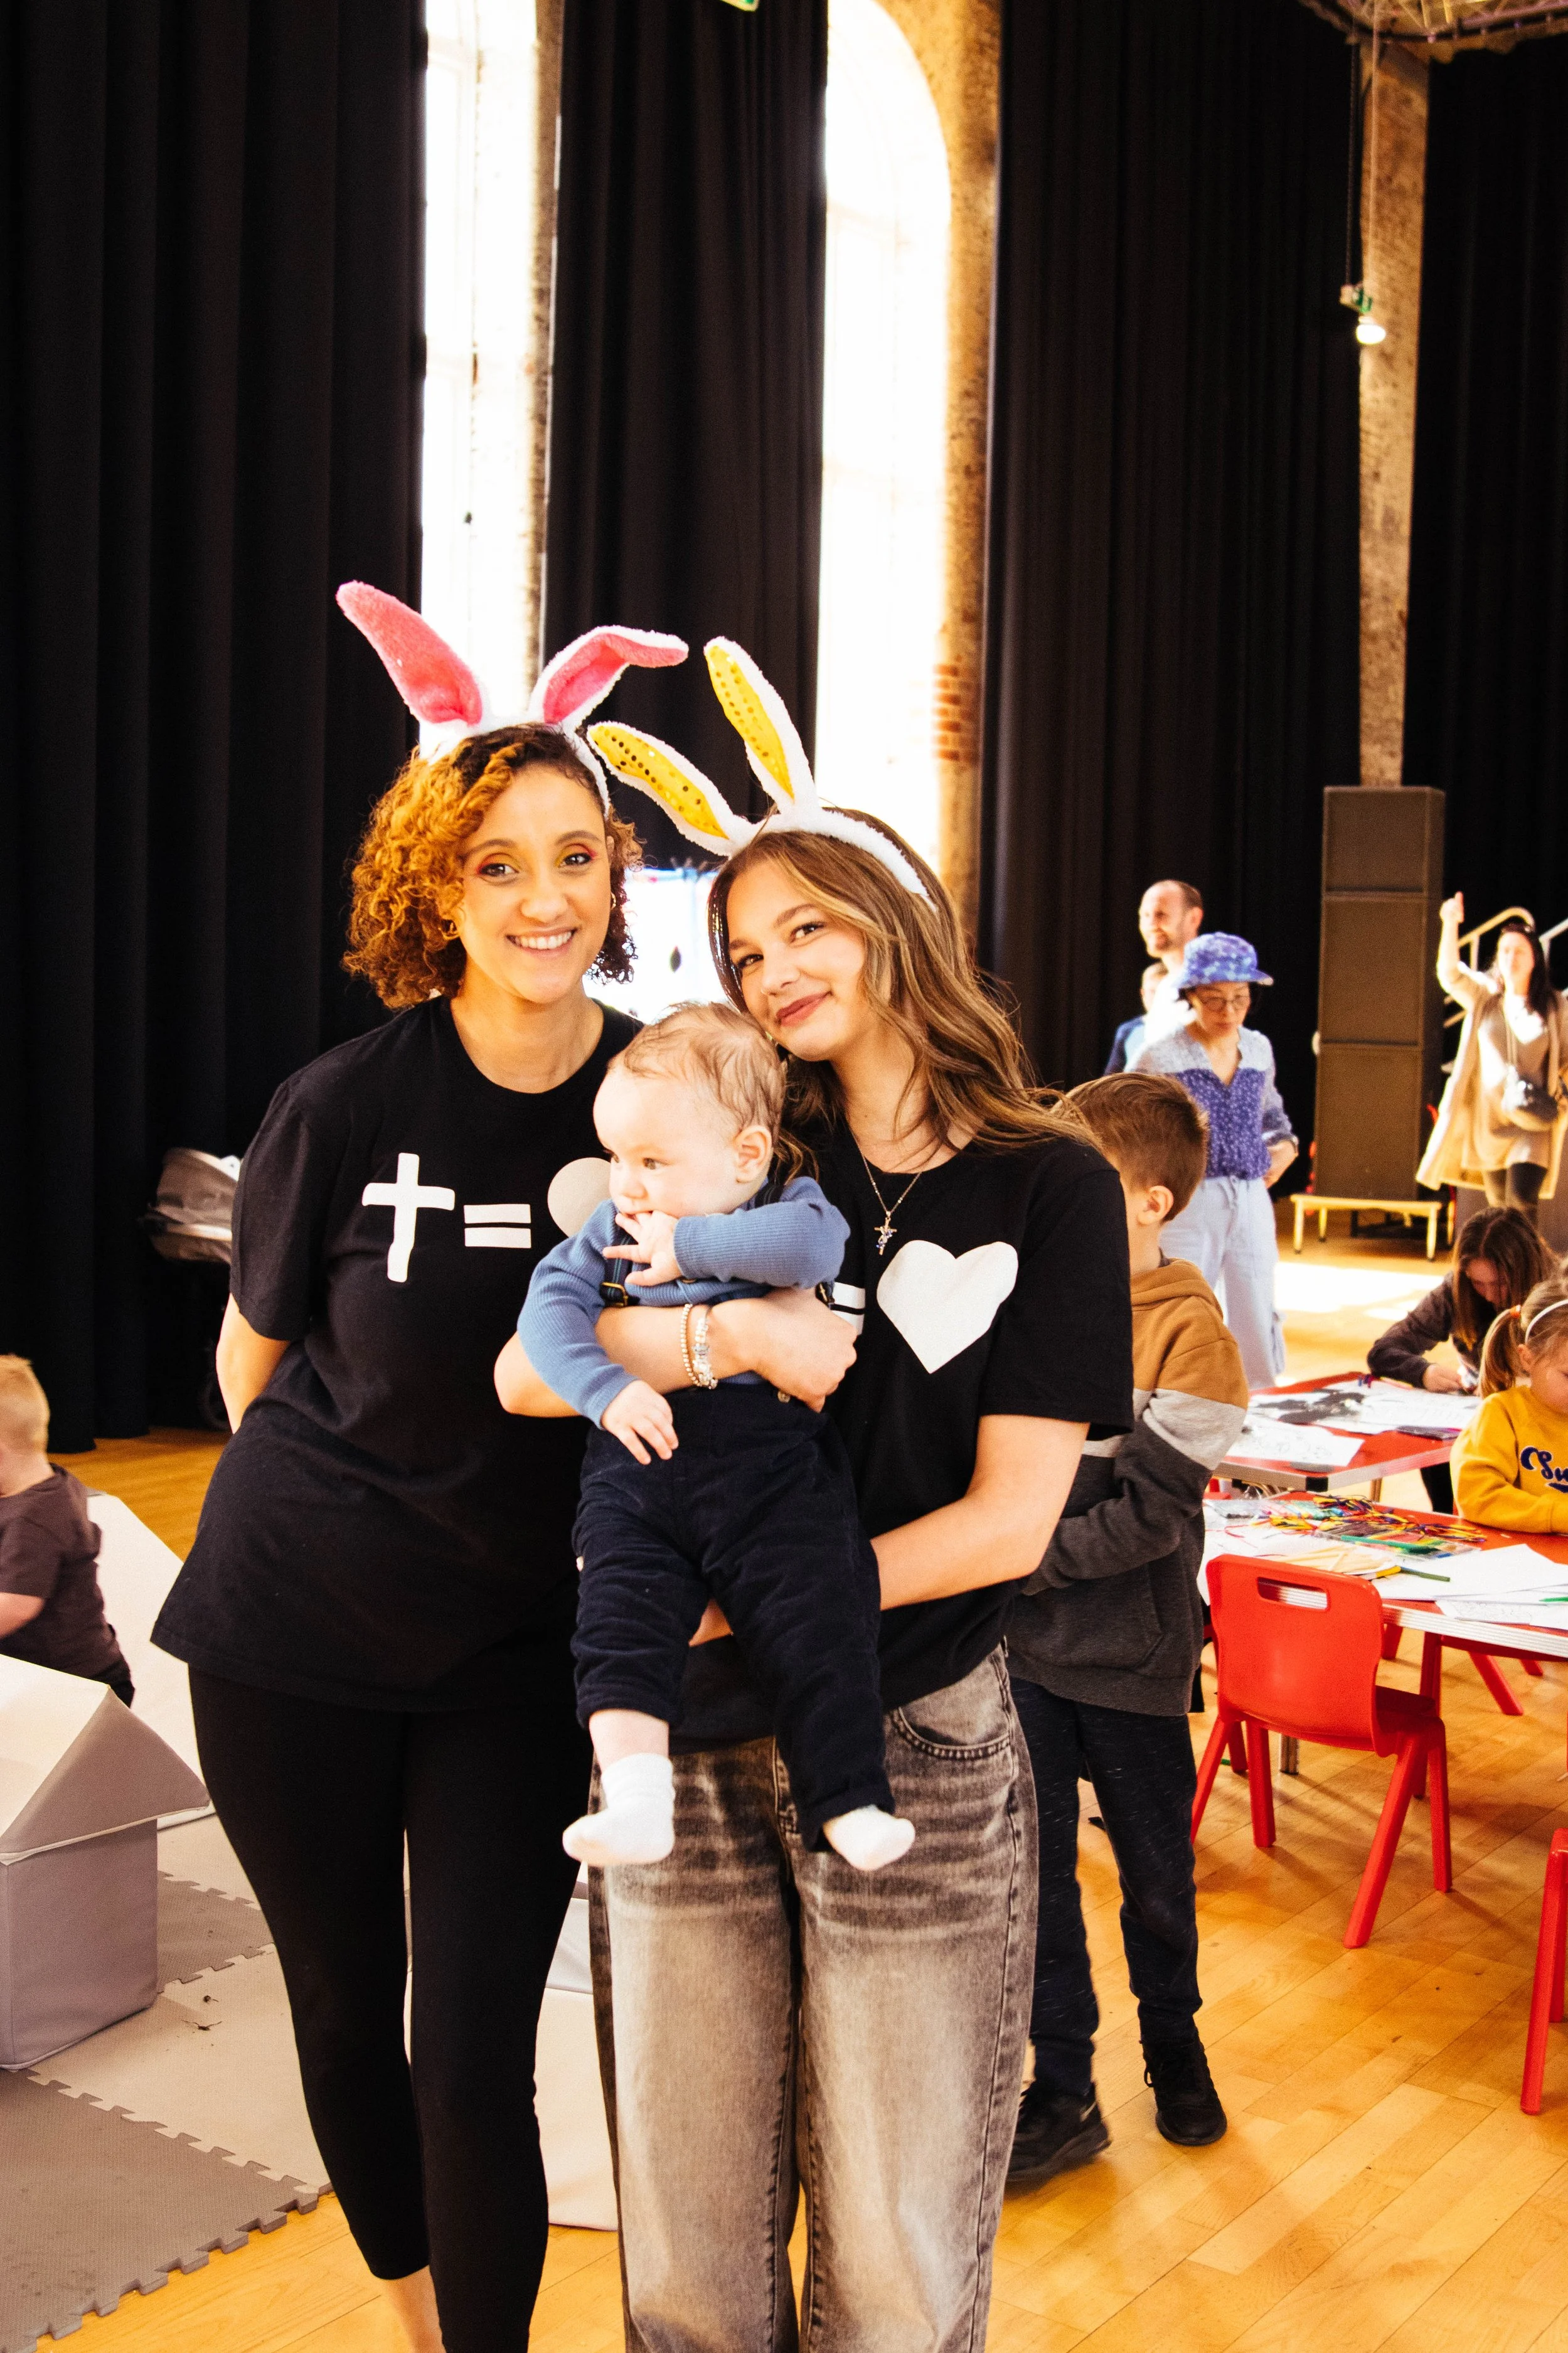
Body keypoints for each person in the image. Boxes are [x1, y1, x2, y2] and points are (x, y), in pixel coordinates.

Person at [498, 637, 1134, 2351]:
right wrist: (740, 1339)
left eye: (808, 927)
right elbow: (530, 1352)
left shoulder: (1047, 1184)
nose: (775, 971)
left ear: (893, 920)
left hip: (910, 1736)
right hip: (690, 1748)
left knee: (898, 2267)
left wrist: (767, 1593)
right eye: (745, 946)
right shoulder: (730, 1152)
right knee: (689, 2272)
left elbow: (1012, 1518)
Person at [152, 589, 688, 2353]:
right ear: (435, 896)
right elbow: (253, 1367)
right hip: (289, 1629)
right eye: (497, 865)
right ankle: (413, 2307)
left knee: (472, 2045)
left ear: (614, 879)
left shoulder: (669, 1110)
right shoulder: (339, 1099)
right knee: (338, 2008)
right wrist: (355, 1531)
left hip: (517, 1657)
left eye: (577, 856)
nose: (545, 897)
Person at [520, 1001, 911, 1874]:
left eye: (652, 1160)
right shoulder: (611, 1229)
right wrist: (605, 1388)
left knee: (821, 1612)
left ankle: (848, 1795)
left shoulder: (788, 1203)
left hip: (768, 1466)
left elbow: (812, 1251)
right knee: (616, 1618)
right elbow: (545, 1315)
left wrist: (688, 1244)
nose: (626, 1184)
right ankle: (636, 1796)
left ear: (746, 1153)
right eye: (617, 1157)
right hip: (638, 1460)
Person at [1005, 1072, 1247, 2184]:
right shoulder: (1037, 1302)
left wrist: (1012, 1561)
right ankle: (1062, 2090)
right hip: (1024, 1659)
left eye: (1081, 1179)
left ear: (1150, 1201)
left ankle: (1175, 2049)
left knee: (1154, 1876)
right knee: (1037, 1878)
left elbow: (1152, 1516)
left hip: (1134, 1662)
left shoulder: (1197, 1337)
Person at [1133, 933, 1296, 1388]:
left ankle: (1262, 1405)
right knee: (1181, 1301)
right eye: (1214, 1000)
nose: (1228, 1012)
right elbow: (1129, 1124)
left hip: (1250, 1195)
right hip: (1189, 1197)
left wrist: (1286, 1147)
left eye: (1240, 1000)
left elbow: (1273, 1114)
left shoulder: (1259, 1048)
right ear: (1190, 996)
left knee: (1256, 1302)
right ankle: (1166, 1401)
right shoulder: (1160, 1054)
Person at [1368, 1205, 1558, 1511]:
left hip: (1544, 1418)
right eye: (1478, 1283)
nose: (1489, 1295)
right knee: (1435, 1439)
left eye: (1500, 1283)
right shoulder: (1457, 1291)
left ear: (1524, 1270)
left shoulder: (1555, 1295)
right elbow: (1384, 1351)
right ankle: (1448, 1521)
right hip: (1473, 1412)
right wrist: (1424, 1372)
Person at [1419, 895, 1568, 1222]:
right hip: (1490, 1124)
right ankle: (1509, 1270)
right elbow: (1449, 974)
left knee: (1521, 1200)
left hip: (1532, 1120)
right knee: (1500, 1207)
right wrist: (1450, 923)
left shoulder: (1555, 1006)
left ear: (1535, 959)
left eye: (1520, 951)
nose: (1511, 957)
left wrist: (1563, 1097)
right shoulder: (1484, 996)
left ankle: (1528, 1272)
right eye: (1505, 951)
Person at [0, 1356, 134, 1707]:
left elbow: (15, 1606)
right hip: (55, 1678)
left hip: (80, 1687)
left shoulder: (34, 1519)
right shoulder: (49, 1484)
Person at [1451, 1274, 1568, 1530]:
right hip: (1517, 1562)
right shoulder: (1502, 1414)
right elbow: (1477, 1496)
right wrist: (1558, 1515)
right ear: (1528, 1358)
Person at [1134, 878, 1205, 1053]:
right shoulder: (1166, 987)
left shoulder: (1210, 984)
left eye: (1161, 915)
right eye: (1145, 915)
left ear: (1194, 918)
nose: (1151, 925)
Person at [1104, 959, 1168, 1074]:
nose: (1158, 998)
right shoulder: (1128, 1030)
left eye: (1163, 992)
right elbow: (1111, 1079)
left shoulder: (1190, 1030)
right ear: (1143, 994)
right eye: (1152, 992)